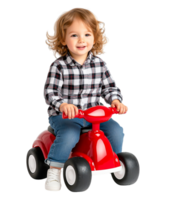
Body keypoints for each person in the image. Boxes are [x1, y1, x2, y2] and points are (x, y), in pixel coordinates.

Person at [42, 7, 130, 192]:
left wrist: (115, 101)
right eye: (74, 35)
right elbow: (49, 93)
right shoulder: (59, 66)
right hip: (65, 116)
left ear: (95, 37)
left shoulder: (101, 64)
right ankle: (55, 170)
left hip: (93, 116)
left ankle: (111, 160)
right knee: (69, 135)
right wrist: (63, 105)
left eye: (87, 34)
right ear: (63, 39)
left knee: (116, 130)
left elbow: (110, 87)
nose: (81, 40)